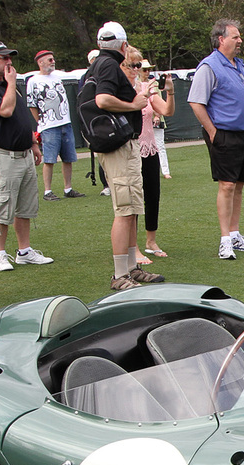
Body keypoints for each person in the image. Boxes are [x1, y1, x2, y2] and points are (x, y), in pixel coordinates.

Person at [88, 21, 165, 289]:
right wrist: (133, 104)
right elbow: (102, 100)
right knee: (124, 209)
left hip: (122, 143)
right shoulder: (108, 64)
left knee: (132, 208)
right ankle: (120, 274)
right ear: (123, 45)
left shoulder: (99, 63)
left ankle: (131, 267)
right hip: (118, 145)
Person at [188, 19, 244, 259]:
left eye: (239, 37)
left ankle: (235, 235)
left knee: (239, 185)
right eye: (235, 37)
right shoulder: (209, 66)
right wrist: (213, 133)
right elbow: (196, 102)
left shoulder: (240, 65)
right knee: (226, 185)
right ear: (221, 39)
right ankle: (225, 240)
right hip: (225, 134)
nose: (240, 40)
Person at [0, 41, 53, 273]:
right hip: (2, 155)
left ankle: (24, 251)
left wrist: (32, 144)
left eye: (10, 57)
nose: (9, 62)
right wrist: (9, 84)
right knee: (2, 206)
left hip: (24, 153)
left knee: (25, 206)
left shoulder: (11, 86)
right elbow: (5, 111)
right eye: (3, 58)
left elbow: (20, 117)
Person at [125, 49, 175, 262]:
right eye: (133, 65)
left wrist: (170, 92)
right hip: (128, 149)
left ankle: (150, 241)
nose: (137, 70)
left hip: (149, 147)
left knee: (153, 195)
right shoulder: (119, 90)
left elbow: (166, 111)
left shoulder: (148, 88)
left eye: (140, 66)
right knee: (133, 199)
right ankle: (132, 246)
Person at [25, 50, 84, 199]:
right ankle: (47, 190)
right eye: (50, 60)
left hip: (65, 123)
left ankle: (68, 188)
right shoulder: (33, 81)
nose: (53, 62)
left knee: (68, 157)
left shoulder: (58, 78)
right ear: (40, 62)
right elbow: (32, 104)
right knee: (50, 159)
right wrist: (40, 121)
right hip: (49, 126)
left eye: (53, 59)